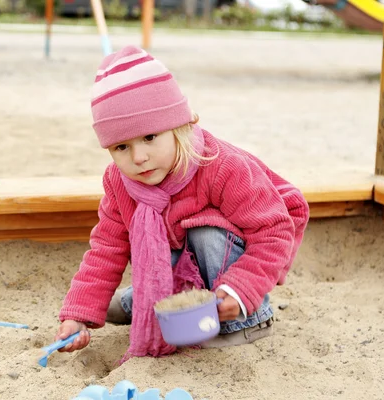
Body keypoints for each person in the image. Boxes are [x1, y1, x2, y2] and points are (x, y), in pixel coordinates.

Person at [55, 45, 310, 358]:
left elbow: (273, 231)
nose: (139, 157)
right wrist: (78, 315)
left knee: (204, 232)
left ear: (181, 126)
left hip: (248, 243)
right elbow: (107, 248)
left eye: (150, 137)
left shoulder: (220, 166)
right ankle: (150, 302)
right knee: (156, 236)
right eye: (121, 147)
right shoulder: (120, 182)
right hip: (183, 251)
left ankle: (246, 321)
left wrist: (240, 291)